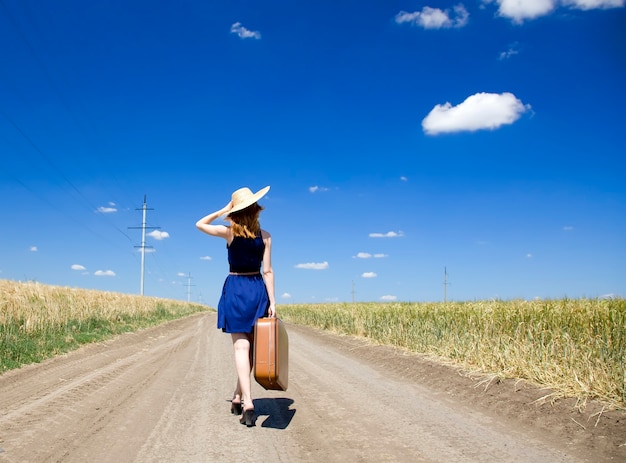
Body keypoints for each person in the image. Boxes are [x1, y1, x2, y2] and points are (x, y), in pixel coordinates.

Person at [195, 186, 276, 427]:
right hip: (257, 289)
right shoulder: (266, 236)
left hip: (236, 289)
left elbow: (200, 224)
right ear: (256, 210)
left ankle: (247, 403)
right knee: (250, 350)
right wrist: (273, 302)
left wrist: (223, 209)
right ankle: (238, 396)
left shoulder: (228, 233)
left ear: (236, 212)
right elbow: (268, 271)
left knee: (241, 348)